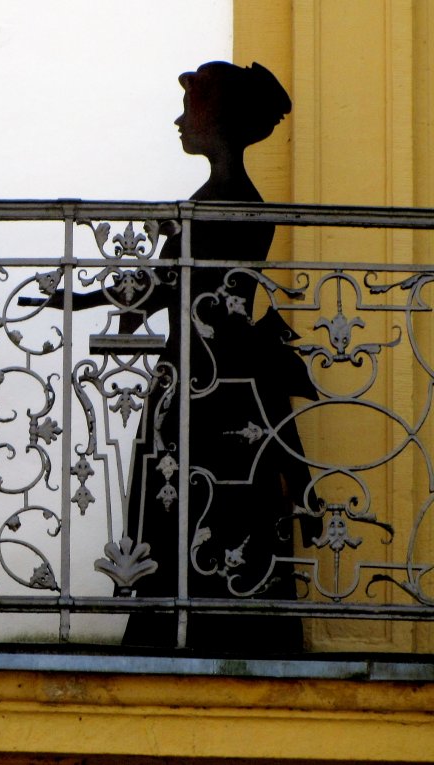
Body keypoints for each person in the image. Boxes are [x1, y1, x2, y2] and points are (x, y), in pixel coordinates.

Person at [32, 62, 318, 651]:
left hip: (207, 376)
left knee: (198, 486)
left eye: (189, 109)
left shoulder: (222, 201)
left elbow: (162, 285)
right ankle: (213, 617)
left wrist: (79, 296)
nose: (179, 121)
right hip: (217, 371)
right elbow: (165, 284)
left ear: (218, 120)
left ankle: (190, 626)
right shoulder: (222, 197)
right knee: (210, 488)